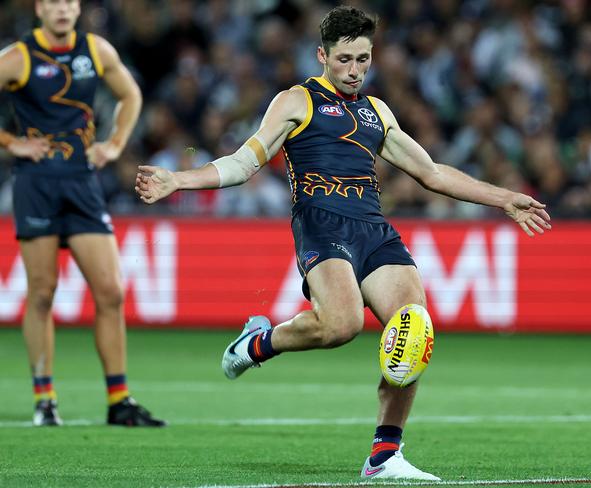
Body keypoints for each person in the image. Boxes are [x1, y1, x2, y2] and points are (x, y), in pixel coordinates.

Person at [135, 6, 551, 479]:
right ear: (322, 56)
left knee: (413, 326)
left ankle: (385, 455)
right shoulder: (297, 100)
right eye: (345, 59)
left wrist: (505, 200)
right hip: (321, 223)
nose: (355, 71)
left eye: (364, 60)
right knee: (341, 325)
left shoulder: (377, 113)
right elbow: (242, 163)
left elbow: (431, 173)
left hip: (372, 227)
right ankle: (258, 343)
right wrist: (178, 180)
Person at [0, 0, 164, 427]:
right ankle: (45, 398)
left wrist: (113, 145)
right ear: (40, 9)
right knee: (41, 293)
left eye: (69, 2)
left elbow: (130, 94)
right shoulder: (18, 57)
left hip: (81, 183)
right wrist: (10, 143)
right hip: (36, 185)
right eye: (53, 2)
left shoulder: (96, 50)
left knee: (110, 291)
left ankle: (119, 400)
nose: (62, 9)